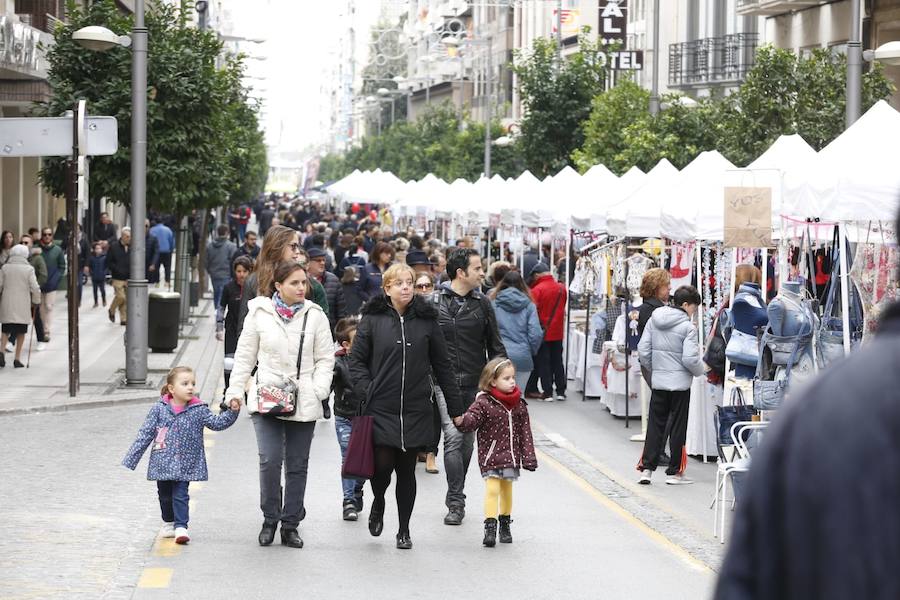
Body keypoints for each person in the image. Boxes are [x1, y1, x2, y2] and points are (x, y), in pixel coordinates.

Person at [349, 263, 463, 549]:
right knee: (382, 468)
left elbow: (443, 365)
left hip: (415, 407)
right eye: (398, 283)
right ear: (386, 288)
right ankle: (378, 501)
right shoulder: (372, 319)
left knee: (406, 470)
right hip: (381, 406)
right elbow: (357, 361)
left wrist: (455, 407)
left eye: (409, 282)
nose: (406, 287)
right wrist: (366, 389)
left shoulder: (427, 320)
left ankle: (403, 529)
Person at [226, 261, 335, 549]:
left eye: (304, 283)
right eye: (294, 283)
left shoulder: (316, 316)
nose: (301, 288)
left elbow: (326, 358)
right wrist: (235, 389)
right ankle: (269, 518)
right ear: (278, 286)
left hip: (304, 395)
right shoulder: (259, 313)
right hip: (268, 395)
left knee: (297, 465)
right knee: (270, 460)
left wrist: (319, 388)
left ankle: (290, 524)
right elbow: (245, 355)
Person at [123, 366, 240, 545]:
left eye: (192, 383)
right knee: (164, 495)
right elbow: (145, 434)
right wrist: (132, 459)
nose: (190, 387)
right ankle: (169, 522)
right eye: (185, 384)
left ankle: (181, 527)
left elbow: (217, 423)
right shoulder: (159, 409)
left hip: (186, 463)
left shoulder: (198, 409)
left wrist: (232, 412)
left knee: (181, 494)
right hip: (162, 461)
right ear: (171, 388)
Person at [432, 248, 507, 526]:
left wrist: (500, 379)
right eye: (477, 268)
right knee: (452, 437)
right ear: (461, 272)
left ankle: (456, 488)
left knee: (466, 442)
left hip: (475, 385)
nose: (482, 273)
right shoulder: (433, 302)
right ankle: (456, 501)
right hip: (444, 382)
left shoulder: (483, 303)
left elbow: (495, 345)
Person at [454, 357, 537, 547]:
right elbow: (472, 420)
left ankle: (505, 523)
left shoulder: (519, 404)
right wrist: (460, 420)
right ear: (493, 381)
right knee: (492, 488)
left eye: (513, 377)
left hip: (511, 456)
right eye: (506, 378)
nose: (512, 381)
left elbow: (525, 433)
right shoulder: (483, 403)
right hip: (491, 456)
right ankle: (490, 527)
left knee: (507, 489)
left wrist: (529, 458)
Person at [636, 285, 705, 485]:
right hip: (680, 385)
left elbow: (643, 350)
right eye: (694, 307)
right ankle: (675, 472)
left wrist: (654, 369)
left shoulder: (653, 320)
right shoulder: (688, 327)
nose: (694, 312)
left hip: (659, 382)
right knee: (677, 427)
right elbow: (690, 359)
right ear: (685, 305)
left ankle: (647, 470)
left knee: (655, 425)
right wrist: (701, 371)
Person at [331, 317, 365, 521]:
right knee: (348, 456)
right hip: (344, 416)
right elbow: (327, 385)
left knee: (364, 460)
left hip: (366, 417)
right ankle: (349, 501)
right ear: (346, 345)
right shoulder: (338, 363)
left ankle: (358, 488)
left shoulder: (372, 361)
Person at [491, 271, 544, 392]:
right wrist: (531, 350)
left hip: (499, 355)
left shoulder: (494, 304)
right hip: (522, 355)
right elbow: (535, 333)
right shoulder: (529, 305)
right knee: (519, 397)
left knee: (498, 399)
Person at [526, 262, 568, 401]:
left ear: (537, 275)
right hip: (558, 331)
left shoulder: (536, 290)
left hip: (542, 331)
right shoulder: (562, 288)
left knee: (544, 362)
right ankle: (561, 391)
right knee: (558, 361)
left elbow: (533, 312)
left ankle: (548, 392)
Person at [413, 271, 440, 475]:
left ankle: (431, 453)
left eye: (427, 286)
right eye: (419, 286)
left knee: (435, 413)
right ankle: (416, 449)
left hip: (436, 368)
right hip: (415, 368)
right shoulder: (408, 309)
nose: (423, 290)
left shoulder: (440, 309)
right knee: (416, 410)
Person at [216, 255, 253, 394]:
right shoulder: (228, 287)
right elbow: (221, 307)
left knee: (248, 361)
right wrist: (219, 327)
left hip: (248, 329)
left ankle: (248, 390)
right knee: (229, 361)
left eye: (244, 271)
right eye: (238, 271)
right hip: (231, 328)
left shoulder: (254, 287)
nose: (241, 274)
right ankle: (228, 389)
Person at [0, 245, 41, 368]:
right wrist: (36, 301)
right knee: (21, 331)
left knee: (5, 329)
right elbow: (35, 288)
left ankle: (1, 351)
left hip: (7, 302)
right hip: (23, 304)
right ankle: (17, 359)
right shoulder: (29, 269)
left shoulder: (5, 268)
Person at [37, 227, 65, 347]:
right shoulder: (37, 250)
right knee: (41, 308)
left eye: (49, 234)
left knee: (49, 306)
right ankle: (42, 329)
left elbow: (62, 266)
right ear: (42, 236)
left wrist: (56, 279)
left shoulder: (57, 250)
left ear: (52, 236)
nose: (47, 236)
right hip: (38, 283)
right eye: (45, 234)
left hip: (52, 284)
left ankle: (46, 331)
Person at [307, 246, 345, 330]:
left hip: (329, 329)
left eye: (323, 260)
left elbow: (341, 311)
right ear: (308, 263)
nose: (322, 263)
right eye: (318, 260)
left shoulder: (333, 280)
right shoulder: (301, 281)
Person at [206, 224, 238, 309]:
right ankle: (219, 312)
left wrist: (209, 270)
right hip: (226, 273)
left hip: (214, 274)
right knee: (223, 294)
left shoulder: (209, 246)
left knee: (217, 293)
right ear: (227, 233)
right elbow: (235, 261)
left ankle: (217, 310)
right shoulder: (231, 246)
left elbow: (206, 260)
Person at [107, 227, 131, 326]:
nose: (129, 238)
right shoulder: (114, 246)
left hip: (128, 277)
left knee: (126, 299)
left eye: (130, 236)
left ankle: (123, 319)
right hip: (117, 277)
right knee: (121, 297)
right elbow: (109, 262)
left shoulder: (131, 247)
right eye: (127, 237)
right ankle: (112, 310)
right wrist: (116, 269)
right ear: (122, 236)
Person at [149, 219, 175, 287]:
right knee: (167, 267)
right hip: (166, 251)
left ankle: (157, 282)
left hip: (156, 251)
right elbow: (171, 240)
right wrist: (171, 249)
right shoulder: (168, 230)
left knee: (156, 267)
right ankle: (167, 282)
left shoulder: (152, 230)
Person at [88, 242, 108, 308]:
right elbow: (90, 267)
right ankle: (96, 302)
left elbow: (106, 267)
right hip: (94, 277)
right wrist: (91, 273)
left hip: (102, 276)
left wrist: (104, 273)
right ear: (94, 250)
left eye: (99, 248)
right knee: (95, 290)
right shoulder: (91, 258)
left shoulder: (104, 257)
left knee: (102, 290)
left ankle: (104, 300)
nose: (98, 250)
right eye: (97, 248)